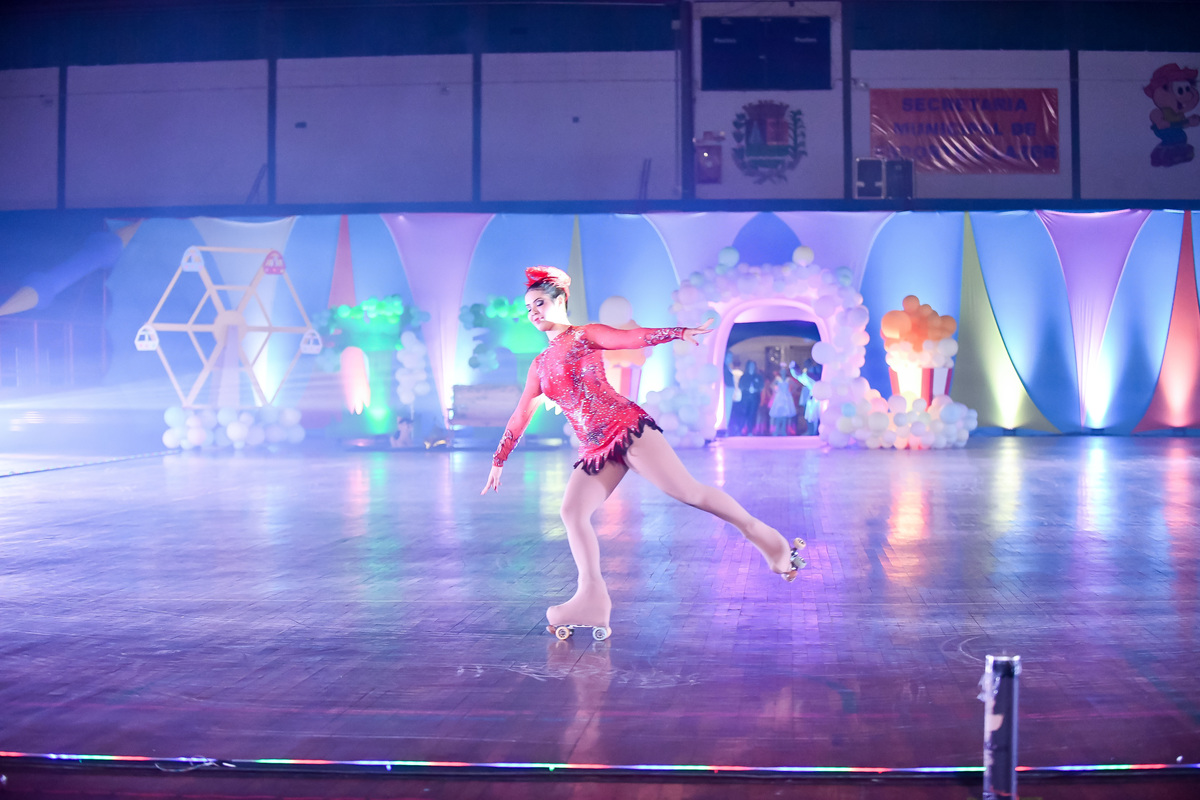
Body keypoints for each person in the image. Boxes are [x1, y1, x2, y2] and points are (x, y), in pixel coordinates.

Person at [481, 266, 805, 637]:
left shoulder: (585, 336)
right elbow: (521, 414)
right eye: (528, 308)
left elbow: (630, 337)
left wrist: (678, 332)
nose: (533, 312)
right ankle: (591, 598)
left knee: (691, 493)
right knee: (572, 512)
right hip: (595, 448)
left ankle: (772, 543)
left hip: (626, 429)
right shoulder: (539, 365)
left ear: (561, 300)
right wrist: (499, 459)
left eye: (539, 303)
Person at [735, 360, 763, 436]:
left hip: (754, 398)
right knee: (743, 414)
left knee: (752, 414)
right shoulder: (744, 377)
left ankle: (750, 431)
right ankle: (740, 429)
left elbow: (761, 386)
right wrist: (747, 389)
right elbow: (740, 386)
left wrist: (756, 389)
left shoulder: (758, 376)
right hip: (745, 398)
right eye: (750, 365)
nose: (752, 367)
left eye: (753, 365)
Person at [768, 369, 797, 436]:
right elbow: (771, 385)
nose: (783, 372)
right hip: (779, 397)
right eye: (782, 371)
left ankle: (783, 430)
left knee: (785, 415)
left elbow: (795, 386)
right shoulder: (778, 379)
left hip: (786, 398)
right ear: (780, 372)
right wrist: (776, 391)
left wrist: (790, 392)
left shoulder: (788, 379)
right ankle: (777, 430)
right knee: (778, 414)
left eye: (784, 371)